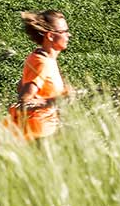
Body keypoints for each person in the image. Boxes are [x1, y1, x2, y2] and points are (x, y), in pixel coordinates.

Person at [6, 10, 72, 141]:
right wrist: (52, 101)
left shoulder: (44, 59)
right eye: (64, 31)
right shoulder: (41, 63)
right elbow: (23, 102)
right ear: (51, 36)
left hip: (43, 133)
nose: (68, 35)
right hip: (35, 136)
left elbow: (21, 86)